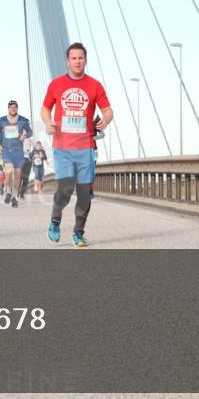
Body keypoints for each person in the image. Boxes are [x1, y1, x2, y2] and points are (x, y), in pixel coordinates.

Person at [42, 43, 113, 248]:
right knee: (64, 190)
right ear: (68, 61)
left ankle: (78, 233)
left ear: (85, 60)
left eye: (81, 58)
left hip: (86, 147)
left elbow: (108, 110)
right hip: (62, 146)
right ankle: (55, 220)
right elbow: (45, 109)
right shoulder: (56, 84)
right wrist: (48, 122)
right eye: (73, 58)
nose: (77, 61)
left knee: (84, 192)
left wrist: (105, 120)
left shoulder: (95, 85)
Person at [0, 100, 32, 207]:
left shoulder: (23, 120)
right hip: (7, 150)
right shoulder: (2, 120)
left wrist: (25, 135)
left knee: (17, 175)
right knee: (8, 171)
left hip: (18, 151)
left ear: (17, 108)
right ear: (8, 108)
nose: (13, 109)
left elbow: (30, 132)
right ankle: (8, 191)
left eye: (15, 107)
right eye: (11, 107)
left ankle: (14, 197)